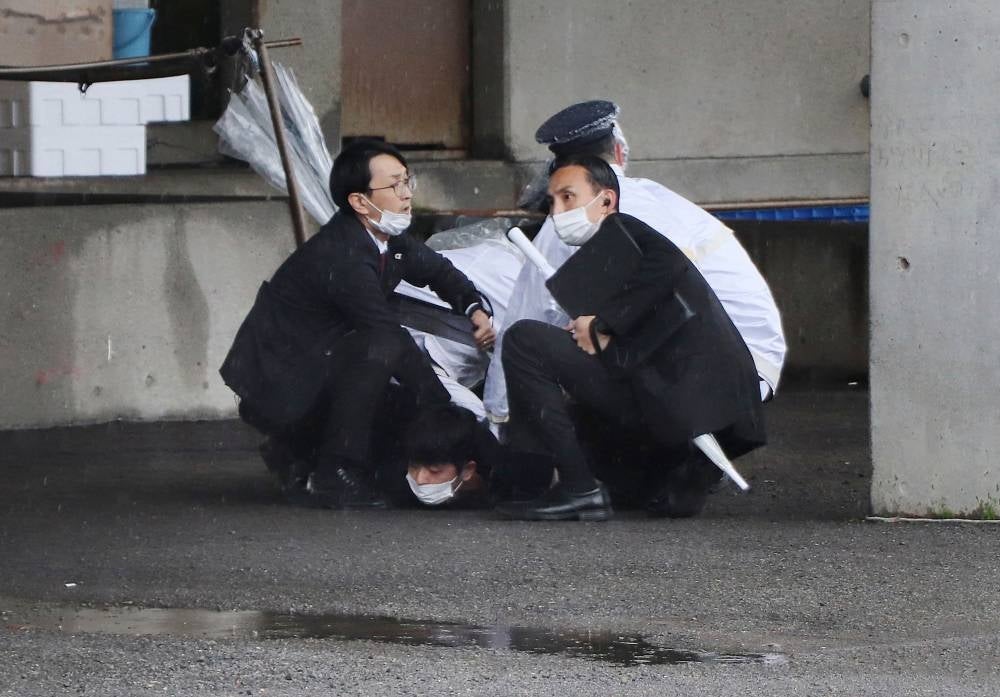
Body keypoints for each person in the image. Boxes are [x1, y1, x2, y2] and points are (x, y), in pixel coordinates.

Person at [219, 139, 495, 508]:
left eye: (407, 181)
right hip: (279, 383)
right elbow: (386, 334)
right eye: (394, 185)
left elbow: (440, 272)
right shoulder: (343, 255)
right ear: (359, 202)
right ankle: (334, 471)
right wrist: (442, 409)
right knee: (381, 351)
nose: (406, 194)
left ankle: (299, 452)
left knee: (398, 395)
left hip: (317, 363)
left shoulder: (386, 239)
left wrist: (475, 309)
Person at [496, 155, 765, 522]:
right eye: (552, 202)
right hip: (675, 403)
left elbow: (666, 266)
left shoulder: (624, 231)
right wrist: (594, 333)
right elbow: (641, 329)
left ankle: (577, 489)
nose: (558, 211)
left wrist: (602, 325)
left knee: (524, 340)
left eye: (568, 198)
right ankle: (649, 482)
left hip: (680, 400)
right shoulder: (603, 255)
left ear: (606, 201)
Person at [484, 100, 786, 425]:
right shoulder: (655, 195)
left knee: (533, 343)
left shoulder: (578, 213)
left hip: (707, 376)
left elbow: (530, 310)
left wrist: (497, 415)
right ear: (617, 150)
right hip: (757, 365)